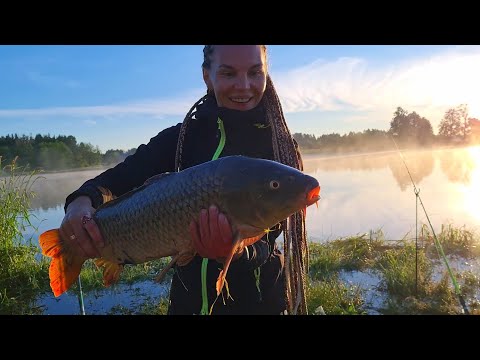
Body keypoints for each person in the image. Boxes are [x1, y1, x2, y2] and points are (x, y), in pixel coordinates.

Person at [61, 45, 308, 315]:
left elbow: (268, 244)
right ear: (207, 76)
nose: (243, 85)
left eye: (254, 72)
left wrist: (233, 252)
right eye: (228, 73)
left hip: (258, 303)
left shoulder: (280, 148)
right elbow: (119, 178)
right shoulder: (180, 138)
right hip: (186, 304)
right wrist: (80, 202)